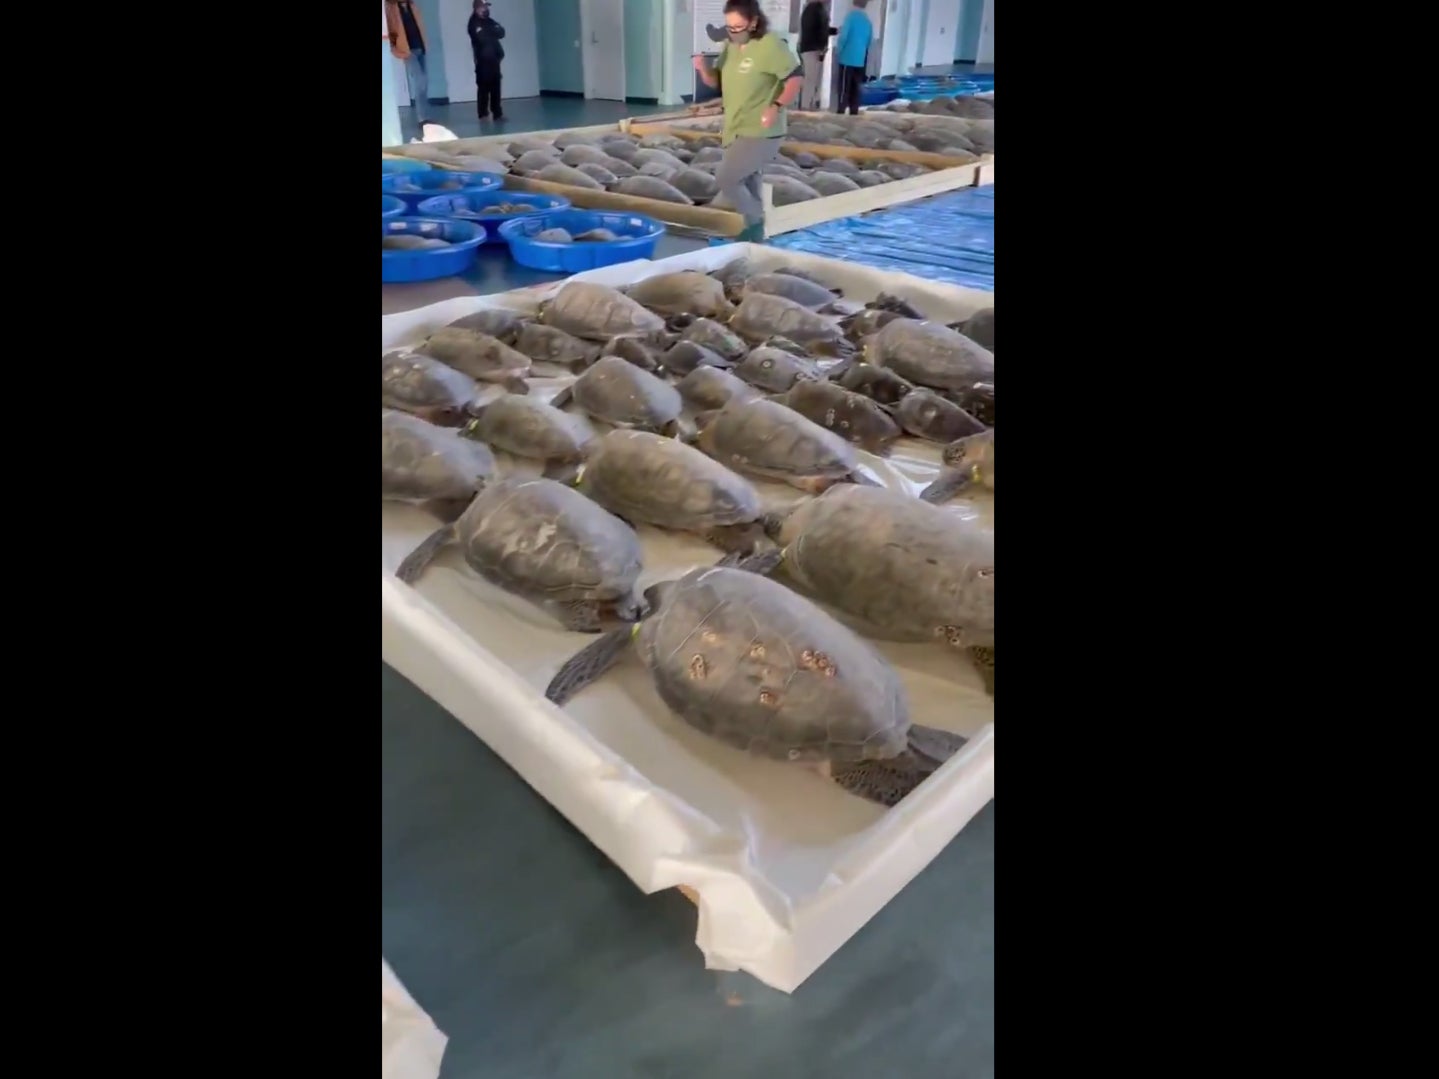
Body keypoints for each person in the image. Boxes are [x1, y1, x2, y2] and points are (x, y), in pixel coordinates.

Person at [692, 0, 804, 244]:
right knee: (750, 179)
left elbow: (795, 78)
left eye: (739, 26)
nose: (734, 32)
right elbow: (716, 83)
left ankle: (756, 223)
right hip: (735, 127)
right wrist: (702, 69)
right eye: (730, 27)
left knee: (726, 178)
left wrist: (776, 106)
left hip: (762, 129)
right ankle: (755, 233)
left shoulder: (770, 46)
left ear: (753, 22)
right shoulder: (730, 46)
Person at [386, 0, 432, 126]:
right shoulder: (392, 8)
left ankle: (425, 117)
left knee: (423, 84)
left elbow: (419, 26)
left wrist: (424, 45)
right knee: (420, 81)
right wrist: (394, 48)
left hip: (420, 48)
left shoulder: (412, 6)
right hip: (407, 50)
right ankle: (422, 118)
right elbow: (392, 30)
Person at [468, 1, 506, 122]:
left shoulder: (489, 21)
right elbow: (482, 37)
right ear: (477, 8)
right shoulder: (473, 23)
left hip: (494, 60)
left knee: (496, 87)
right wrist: (492, 31)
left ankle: (497, 114)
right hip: (482, 61)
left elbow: (501, 32)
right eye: (483, 7)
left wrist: (491, 30)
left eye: (486, 6)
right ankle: (483, 114)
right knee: (483, 88)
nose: (485, 9)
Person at [835, 0, 874, 116]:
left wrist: (838, 51)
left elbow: (843, 37)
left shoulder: (850, 18)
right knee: (856, 88)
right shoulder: (867, 21)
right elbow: (869, 41)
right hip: (860, 60)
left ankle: (841, 111)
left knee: (844, 88)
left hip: (847, 58)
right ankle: (854, 111)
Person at [798, 0, 838, 111]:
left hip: (812, 48)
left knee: (813, 79)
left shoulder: (813, 9)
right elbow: (818, 30)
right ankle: (806, 106)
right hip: (812, 49)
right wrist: (821, 46)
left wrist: (835, 31)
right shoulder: (815, 10)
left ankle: (809, 104)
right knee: (810, 79)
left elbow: (822, 29)